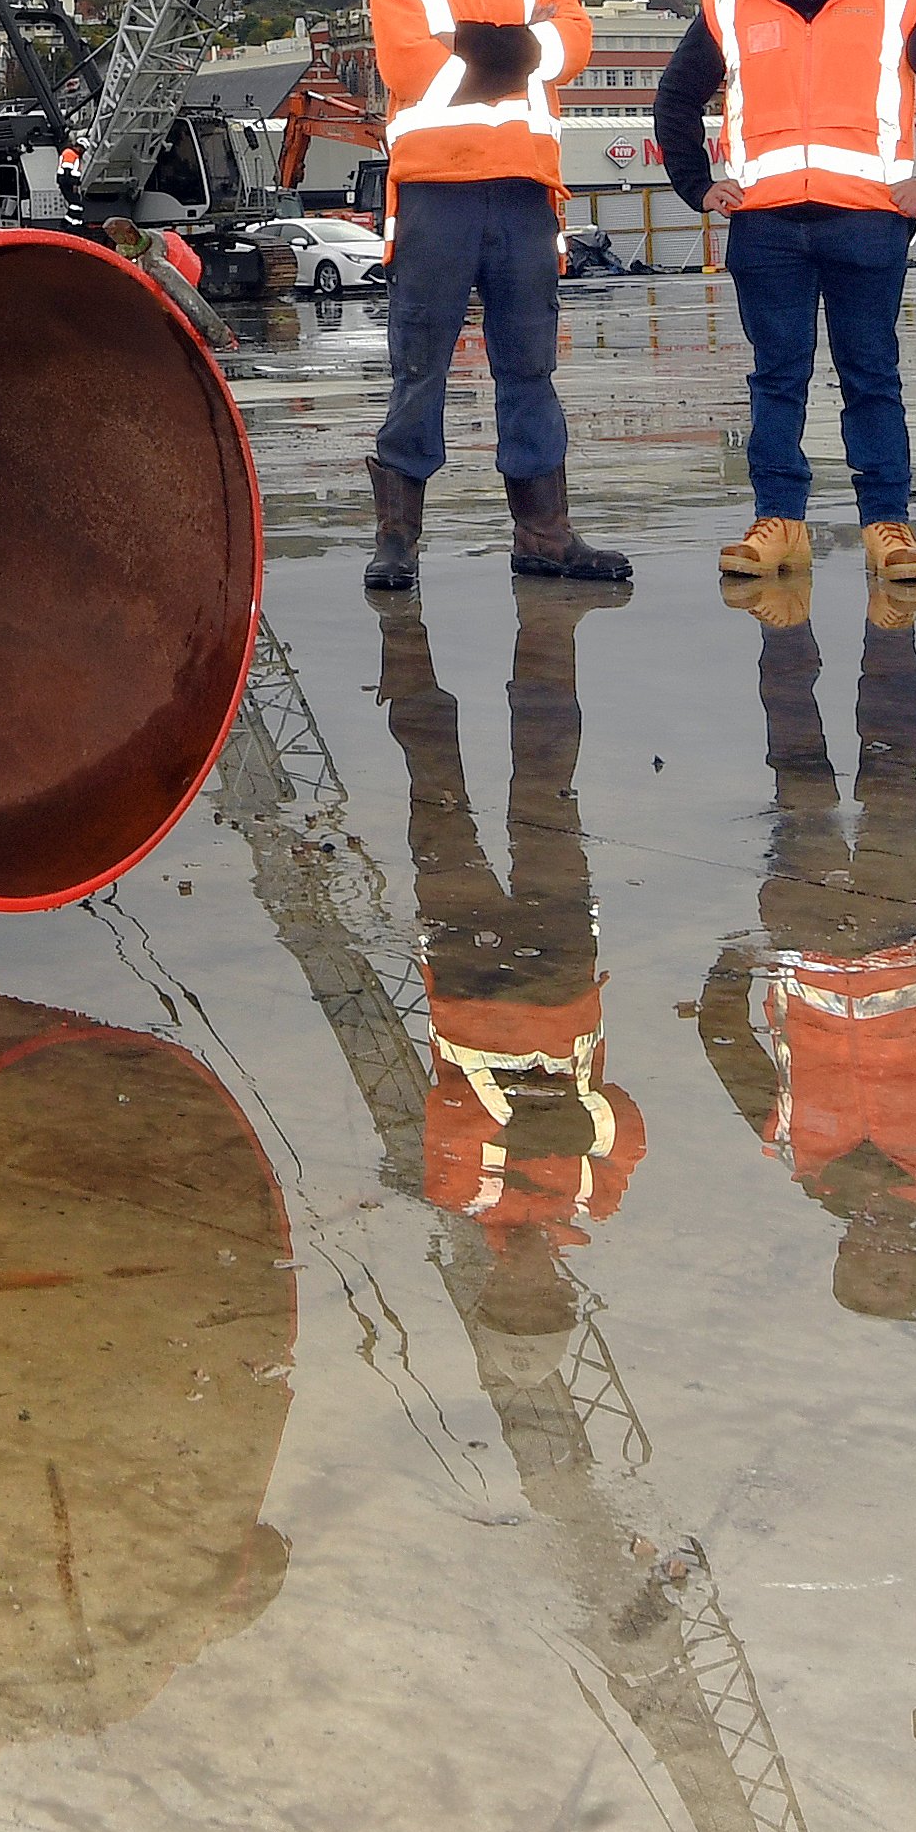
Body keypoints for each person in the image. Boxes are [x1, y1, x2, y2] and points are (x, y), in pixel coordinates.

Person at [696, 568, 916, 1322]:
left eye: (868, 1270)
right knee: (893, 780)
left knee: (799, 779)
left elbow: (728, 1048)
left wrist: (732, 966)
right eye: (898, 1271)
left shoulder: (793, 1156)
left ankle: (783, 627)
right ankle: (892, 629)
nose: (882, 1254)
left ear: (842, 1253)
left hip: (800, 930)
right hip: (902, 927)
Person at [654, 0, 916, 586]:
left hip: (867, 219)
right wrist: (698, 187)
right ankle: (779, 523)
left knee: (872, 374)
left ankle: (888, 526)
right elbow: (674, 98)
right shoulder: (730, 4)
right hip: (765, 224)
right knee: (776, 376)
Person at [362, 0, 628, 591]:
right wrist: (521, 48)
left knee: (529, 367)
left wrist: (471, 48)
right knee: (420, 366)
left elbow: (576, 43)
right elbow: (411, 68)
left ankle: (545, 534)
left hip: (520, 190)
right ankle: (398, 541)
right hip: (437, 193)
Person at [374, 578, 643, 1348]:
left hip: (464, 972)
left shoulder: (456, 1196)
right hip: (560, 973)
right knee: (548, 800)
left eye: (513, 1301)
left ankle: (407, 653)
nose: (528, 1285)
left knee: (436, 803)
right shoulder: (597, 1198)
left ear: (491, 1285)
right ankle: (548, 640)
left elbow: (450, 1114)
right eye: (544, 1302)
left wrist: (538, 1132)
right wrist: (536, 1133)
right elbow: (623, 1115)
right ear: (564, 1291)